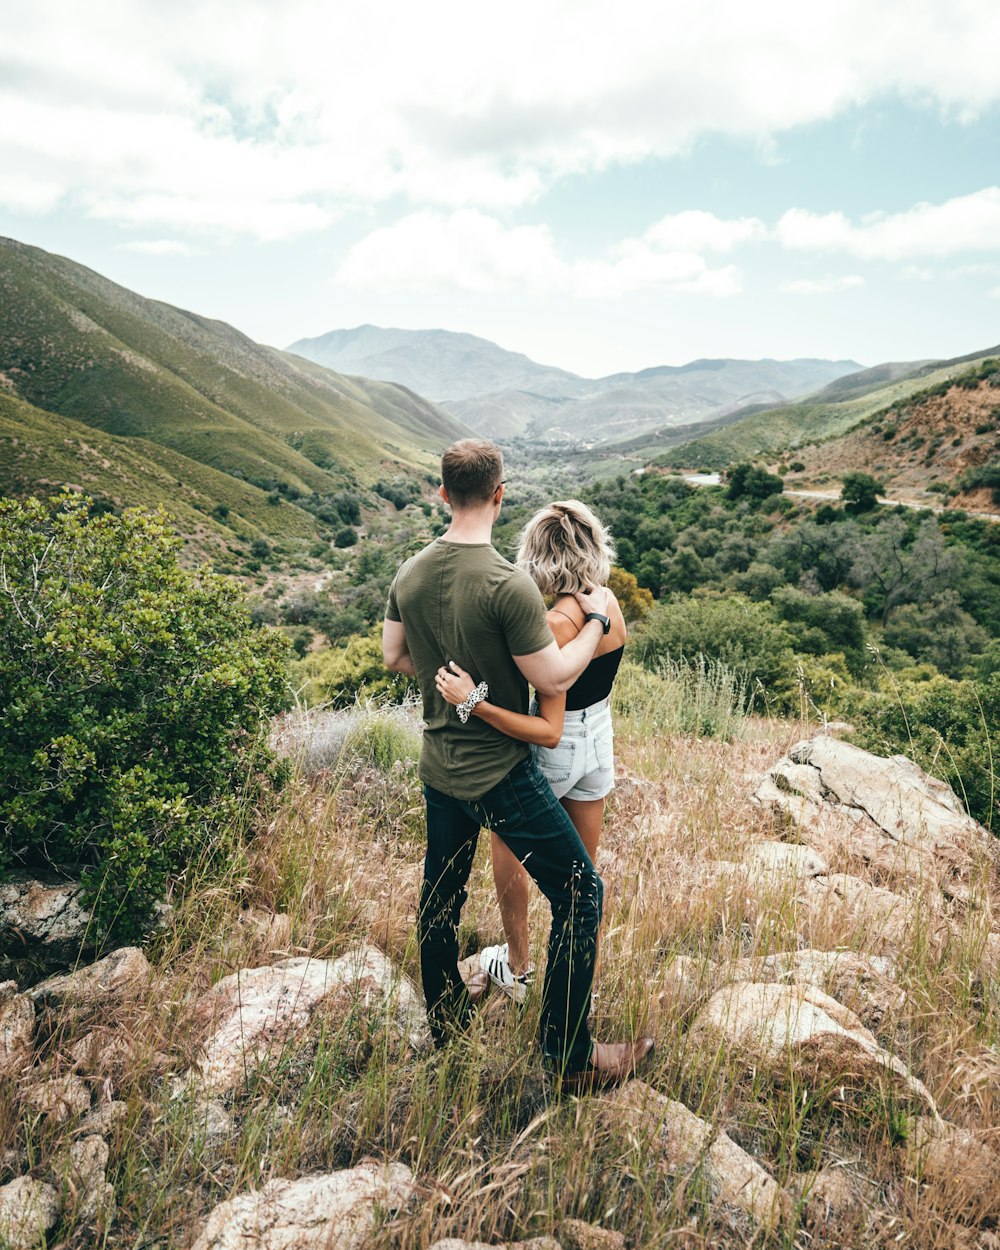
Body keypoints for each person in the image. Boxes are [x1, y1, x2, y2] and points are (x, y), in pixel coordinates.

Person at [383, 439, 652, 1088]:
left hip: (442, 760)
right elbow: (556, 676)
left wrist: (458, 679)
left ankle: (453, 1022)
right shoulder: (512, 589)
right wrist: (588, 624)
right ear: (498, 495)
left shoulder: (411, 574)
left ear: (440, 493)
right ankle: (565, 1045)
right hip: (520, 762)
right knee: (580, 888)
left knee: (440, 897)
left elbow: (394, 656)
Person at [435, 500, 626, 1003]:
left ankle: (518, 968)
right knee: (582, 878)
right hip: (600, 740)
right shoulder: (606, 604)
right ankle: (575, 972)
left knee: (509, 850)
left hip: (558, 749)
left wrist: (475, 701)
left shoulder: (555, 625)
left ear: (538, 555)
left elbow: (546, 725)